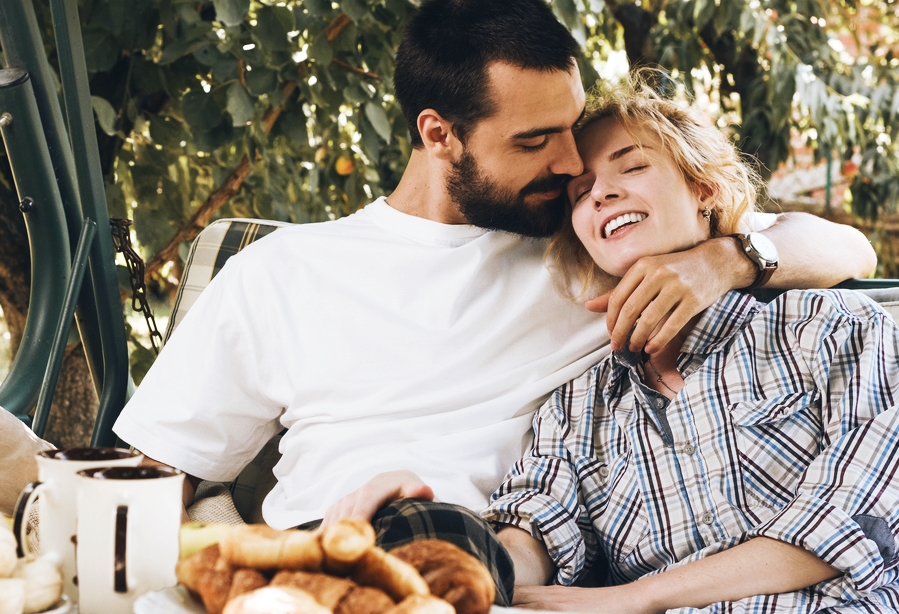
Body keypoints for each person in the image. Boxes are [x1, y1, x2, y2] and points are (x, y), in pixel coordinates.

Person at [113, 0, 876, 606]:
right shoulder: (281, 272)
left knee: (442, 546)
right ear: (440, 135)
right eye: (537, 141)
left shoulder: (587, 246)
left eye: (571, 129)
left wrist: (725, 260)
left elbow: (852, 253)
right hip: (318, 552)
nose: (573, 163)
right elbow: (144, 481)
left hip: (482, 561)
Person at [481, 74, 899, 613]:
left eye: (632, 167)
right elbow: (535, 518)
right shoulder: (581, 405)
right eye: (581, 193)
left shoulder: (830, 328)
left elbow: (855, 515)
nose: (602, 192)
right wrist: (470, 573)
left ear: (705, 190)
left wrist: (636, 598)